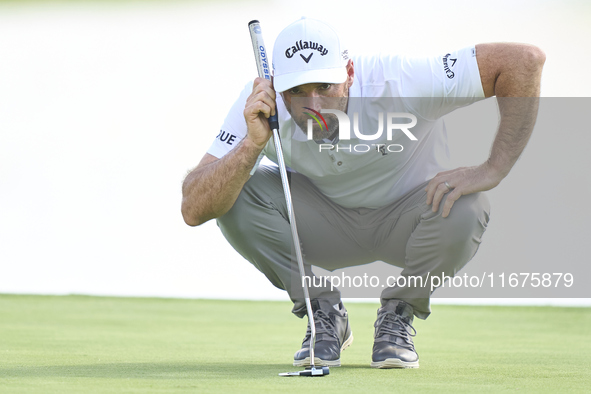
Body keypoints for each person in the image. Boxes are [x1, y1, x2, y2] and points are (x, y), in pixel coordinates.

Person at [181, 17, 545, 369]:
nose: (314, 107)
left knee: (469, 203)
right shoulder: (260, 105)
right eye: (297, 92)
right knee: (232, 189)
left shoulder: (401, 81)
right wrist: (250, 145)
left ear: (349, 74)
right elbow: (194, 207)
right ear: (278, 87)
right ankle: (321, 310)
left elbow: (523, 61)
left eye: (325, 87)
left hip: (413, 220)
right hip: (321, 223)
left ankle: (398, 313)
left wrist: (493, 169)